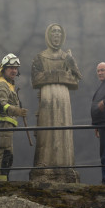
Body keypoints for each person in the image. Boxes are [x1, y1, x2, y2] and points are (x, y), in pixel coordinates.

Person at [29, 23, 82, 183]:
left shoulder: (67, 57)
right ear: (48, 35)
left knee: (63, 130)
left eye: (59, 32)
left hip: (63, 99)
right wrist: (59, 75)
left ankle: (65, 166)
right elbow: (35, 78)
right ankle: (44, 167)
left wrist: (58, 74)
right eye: (54, 32)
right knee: (46, 131)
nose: (57, 35)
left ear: (63, 36)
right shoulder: (39, 57)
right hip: (47, 97)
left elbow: (76, 79)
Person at [0, 53, 28, 181]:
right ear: (4, 69)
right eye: (11, 67)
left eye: (16, 68)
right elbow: (1, 103)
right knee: (4, 152)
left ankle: (3, 180)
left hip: (9, 125)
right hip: (3, 124)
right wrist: (16, 111)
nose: (14, 70)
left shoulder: (9, 84)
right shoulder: (1, 84)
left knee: (8, 154)